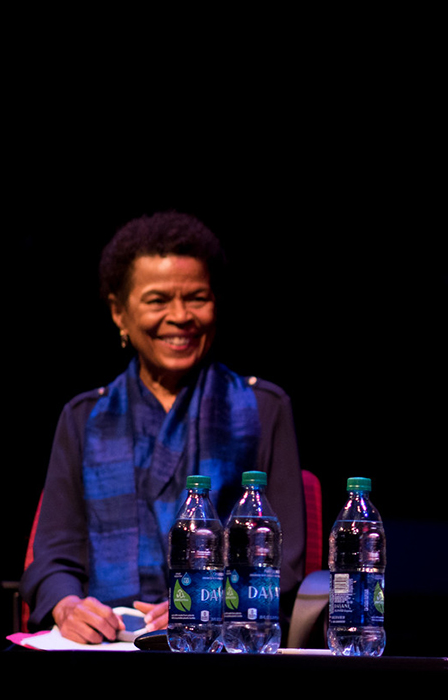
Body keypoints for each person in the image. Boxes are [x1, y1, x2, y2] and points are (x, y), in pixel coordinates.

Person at [19, 212, 306, 644]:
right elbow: (53, 557)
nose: (180, 317)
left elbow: (282, 561)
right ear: (119, 312)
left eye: (197, 298)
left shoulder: (263, 408)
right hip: (107, 643)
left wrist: (205, 602)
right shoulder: (84, 418)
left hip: (223, 640)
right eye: (157, 301)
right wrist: (69, 606)